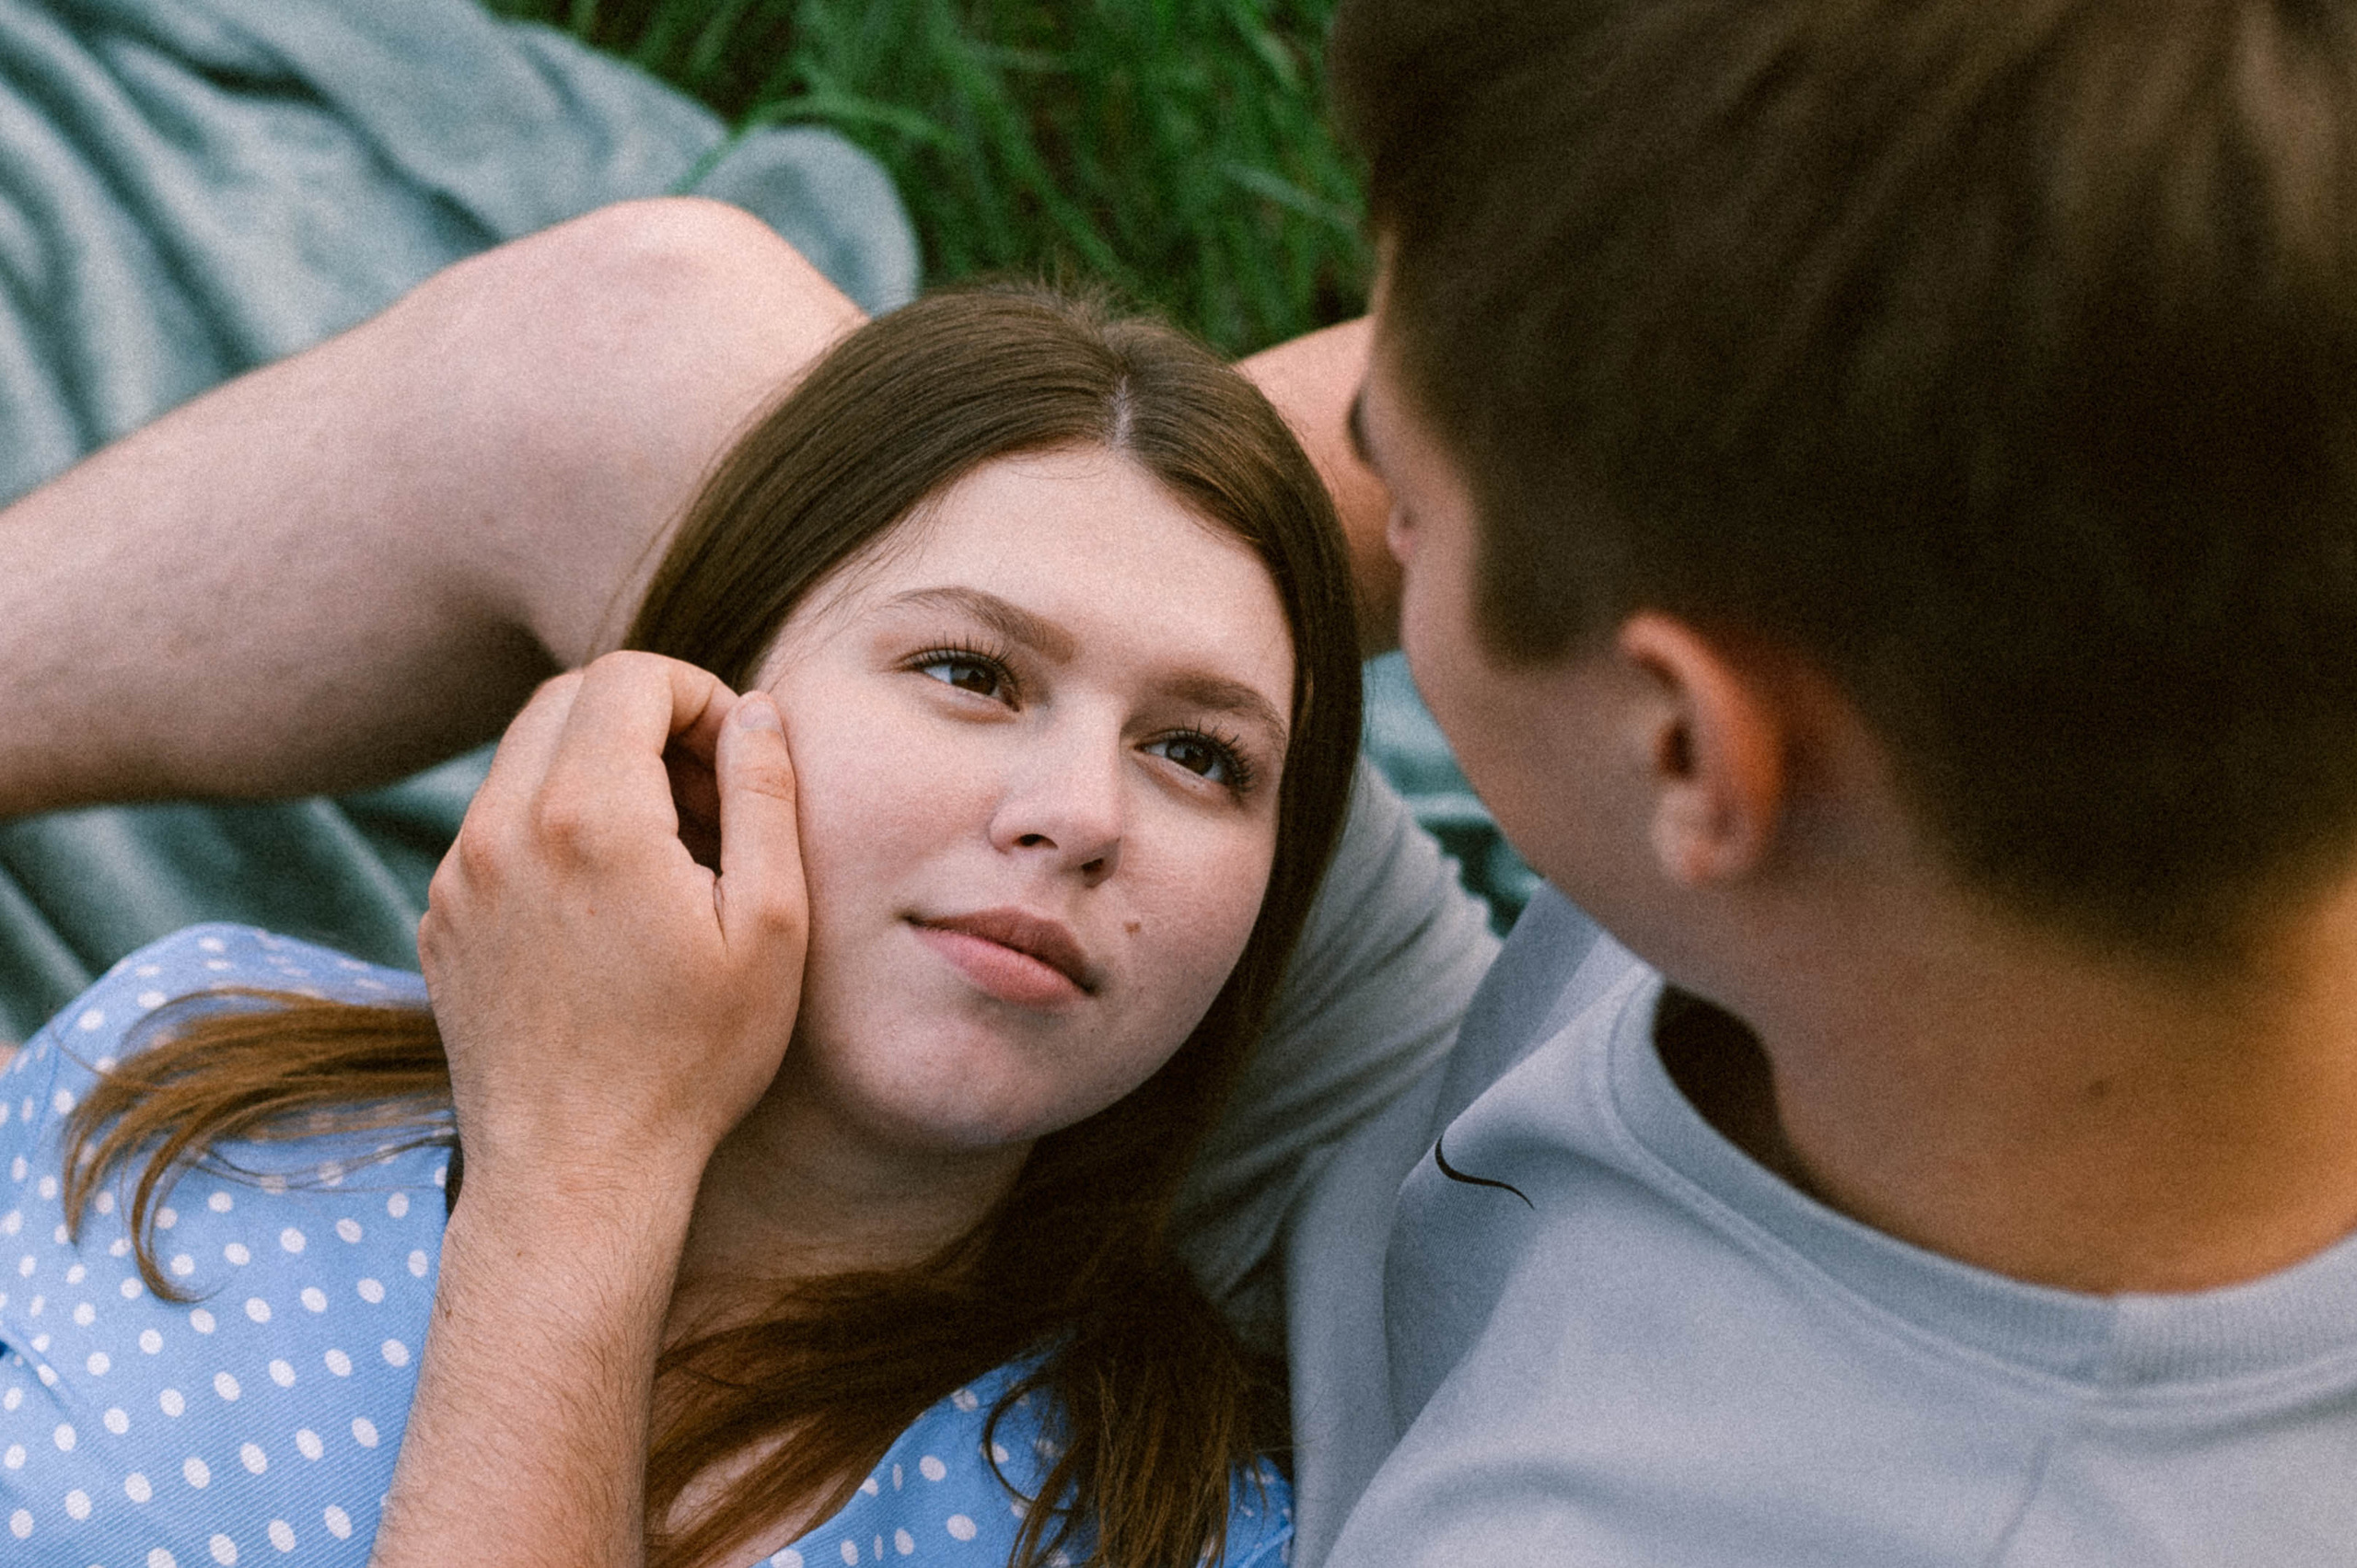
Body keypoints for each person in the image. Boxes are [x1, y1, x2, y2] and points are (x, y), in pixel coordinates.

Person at [17, 0, 2357, 1562]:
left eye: (1408, 520)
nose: (1357, 524)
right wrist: (916, 600)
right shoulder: (2206, 542)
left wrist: (579, 1162)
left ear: (1691, 756)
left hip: (1407, 1412)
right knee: (657, 355)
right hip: (1598, 1116)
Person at [0, 285, 1364, 1568]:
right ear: (706, 698)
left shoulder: (1175, 1532)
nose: (1077, 813)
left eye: (1198, 756)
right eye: (970, 672)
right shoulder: (171, 1067)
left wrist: (578, 1177)